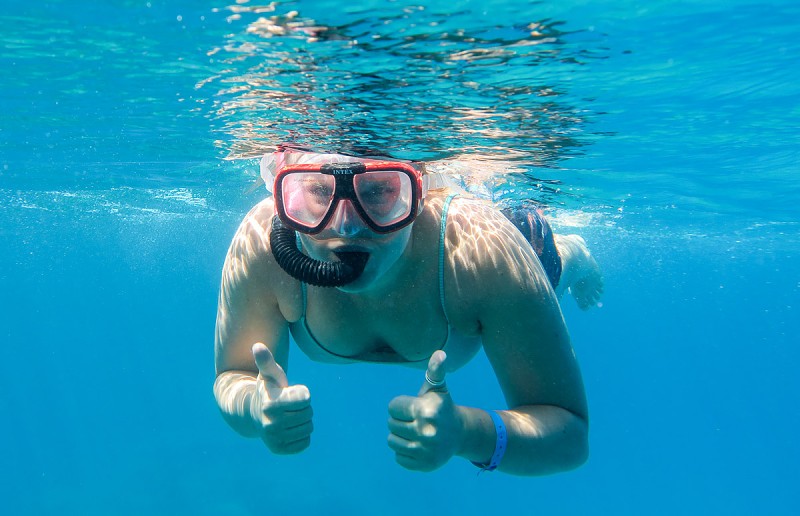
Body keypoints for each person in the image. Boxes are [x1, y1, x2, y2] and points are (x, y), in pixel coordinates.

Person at [213, 145, 603, 476]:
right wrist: (254, 407)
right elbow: (234, 377)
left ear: (417, 195)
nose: (346, 227)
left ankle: (574, 253)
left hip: (505, 253)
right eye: (318, 191)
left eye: (377, 191)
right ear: (287, 191)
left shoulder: (480, 254)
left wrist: (468, 433)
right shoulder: (262, 244)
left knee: (546, 267)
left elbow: (571, 440)